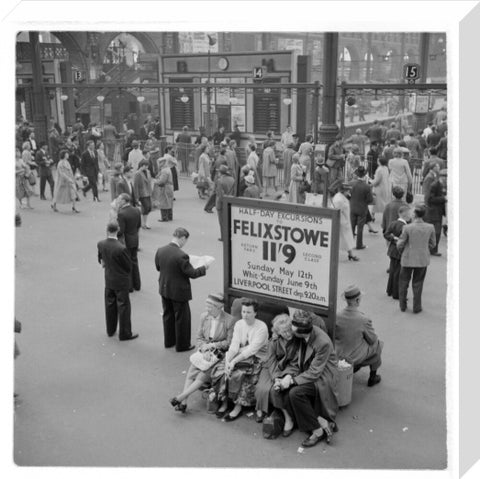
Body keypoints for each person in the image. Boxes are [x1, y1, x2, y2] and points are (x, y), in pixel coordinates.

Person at [267, 312, 339, 448]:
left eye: (292, 330)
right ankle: (321, 421)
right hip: (305, 372)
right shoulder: (301, 334)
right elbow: (294, 360)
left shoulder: (322, 342)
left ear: (302, 333)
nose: (290, 333)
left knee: (294, 393)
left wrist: (291, 381)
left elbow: (314, 373)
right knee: (288, 393)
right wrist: (287, 377)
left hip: (322, 377)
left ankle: (317, 431)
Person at [169, 293, 235, 413]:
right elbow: (199, 337)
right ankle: (183, 402)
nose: (207, 309)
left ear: (218, 307)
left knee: (201, 375)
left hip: (219, 354)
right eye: (207, 306)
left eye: (210, 307)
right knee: (191, 372)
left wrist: (213, 346)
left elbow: (228, 342)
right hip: (204, 350)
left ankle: (181, 398)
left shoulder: (229, 320)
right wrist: (204, 348)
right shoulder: (204, 317)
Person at [211, 299, 268, 422]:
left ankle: (238, 407)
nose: (245, 315)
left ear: (255, 313)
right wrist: (228, 360)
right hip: (238, 354)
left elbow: (252, 350)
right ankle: (225, 403)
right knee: (222, 371)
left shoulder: (262, 327)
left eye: (248, 312)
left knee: (241, 375)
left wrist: (234, 362)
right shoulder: (239, 324)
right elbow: (234, 345)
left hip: (256, 357)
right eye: (243, 312)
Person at [154, 228, 209, 352]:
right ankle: (182, 345)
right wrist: (204, 267)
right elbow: (193, 273)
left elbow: (158, 267)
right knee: (182, 318)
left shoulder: (160, 250)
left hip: (164, 288)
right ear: (183, 238)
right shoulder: (181, 255)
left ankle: (169, 341)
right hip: (179, 291)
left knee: (168, 315)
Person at [97, 221, 138, 341]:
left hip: (108, 279)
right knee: (123, 307)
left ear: (107, 230)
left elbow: (101, 259)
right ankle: (124, 333)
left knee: (109, 305)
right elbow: (128, 266)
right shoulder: (121, 248)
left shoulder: (101, 244)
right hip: (121, 281)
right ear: (118, 230)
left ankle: (110, 330)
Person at [335, 285, 383, 386]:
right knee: (378, 344)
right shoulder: (363, 319)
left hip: (339, 352)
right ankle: (372, 377)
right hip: (354, 356)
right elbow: (372, 339)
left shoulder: (337, 315)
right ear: (357, 300)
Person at [254, 314, 298, 426]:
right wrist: (276, 377)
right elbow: (271, 360)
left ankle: (288, 417)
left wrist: (286, 376)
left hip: (289, 369)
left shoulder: (297, 341)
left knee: (276, 390)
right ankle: (261, 409)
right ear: (278, 332)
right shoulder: (274, 341)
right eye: (284, 332)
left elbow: (295, 362)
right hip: (271, 368)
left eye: (289, 330)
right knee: (261, 388)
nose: (288, 334)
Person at [397, 205, 436, 313]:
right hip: (422, 259)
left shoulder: (407, 228)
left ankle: (402, 306)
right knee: (418, 283)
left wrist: (403, 252)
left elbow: (400, 244)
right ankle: (417, 307)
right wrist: (424, 250)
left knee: (403, 283)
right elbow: (433, 244)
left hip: (407, 258)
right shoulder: (430, 227)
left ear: (414, 214)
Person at [384, 205, 411, 300]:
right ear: (405, 215)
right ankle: (396, 293)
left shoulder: (393, 223)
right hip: (400, 251)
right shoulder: (405, 227)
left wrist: (393, 238)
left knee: (392, 271)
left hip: (392, 250)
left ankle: (389, 290)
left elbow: (386, 234)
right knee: (398, 273)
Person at [116, 193, 142, 292]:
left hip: (126, 241)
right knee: (134, 261)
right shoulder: (136, 210)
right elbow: (139, 225)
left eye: (119, 199)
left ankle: (129, 286)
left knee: (127, 263)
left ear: (123, 201)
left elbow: (121, 231)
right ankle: (137, 284)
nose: (118, 201)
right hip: (135, 239)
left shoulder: (121, 213)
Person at [329, 180, 358, 261]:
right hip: (341, 222)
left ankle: (350, 254)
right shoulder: (339, 199)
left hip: (343, 221)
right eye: (347, 190)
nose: (349, 191)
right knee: (341, 240)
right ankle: (349, 254)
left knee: (346, 239)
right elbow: (335, 210)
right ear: (343, 191)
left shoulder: (341, 197)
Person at [349, 166, 374, 250]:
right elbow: (370, 199)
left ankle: (350, 243)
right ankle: (359, 244)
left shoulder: (351, 183)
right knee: (360, 227)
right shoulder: (367, 186)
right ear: (364, 175)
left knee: (352, 226)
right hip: (362, 208)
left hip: (352, 207)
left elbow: (347, 195)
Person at [425, 170, 447, 256]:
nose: (446, 179)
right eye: (445, 177)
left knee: (437, 232)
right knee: (435, 232)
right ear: (441, 177)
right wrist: (444, 198)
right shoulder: (435, 185)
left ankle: (433, 249)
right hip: (433, 212)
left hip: (439, 212)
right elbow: (430, 199)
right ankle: (432, 250)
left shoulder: (442, 185)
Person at [51, 149, 79, 213]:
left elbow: (70, 171)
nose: (68, 155)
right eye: (67, 154)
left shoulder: (67, 162)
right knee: (58, 193)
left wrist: (72, 178)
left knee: (73, 192)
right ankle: (54, 204)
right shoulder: (60, 163)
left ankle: (74, 207)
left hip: (69, 180)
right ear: (64, 155)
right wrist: (68, 178)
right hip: (62, 181)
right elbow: (61, 173)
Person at [215, 164, 236, 241]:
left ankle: (224, 237)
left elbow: (220, 195)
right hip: (231, 202)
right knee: (229, 220)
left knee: (222, 221)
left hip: (222, 204)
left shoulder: (220, 181)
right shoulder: (232, 179)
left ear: (220, 173)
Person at [152, 156, 174, 222]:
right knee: (169, 202)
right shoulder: (168, 169)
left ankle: (164, 217)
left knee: (163, 202)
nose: (158, 164)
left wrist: (155, 181)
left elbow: (162, 181)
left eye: (160, 163)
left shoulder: (164, 170)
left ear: (163, 163)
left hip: (165, 187)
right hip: (169, 187)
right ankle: (170, 216)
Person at [133, 159, 153, 229]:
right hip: (142, 193)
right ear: (141, 165)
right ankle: (144, 223)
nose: (146, 167)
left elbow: (150, 182)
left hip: (148, 192)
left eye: (147, 166)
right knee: (146, 207)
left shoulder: (148, 172)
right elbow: (136, 186)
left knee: (149, 207)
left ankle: (143, 222)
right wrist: (136, 197)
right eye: (145, 165)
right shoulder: (137, 173)